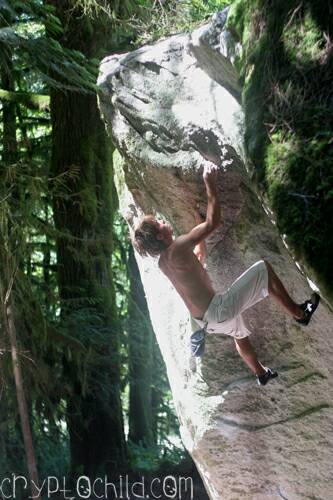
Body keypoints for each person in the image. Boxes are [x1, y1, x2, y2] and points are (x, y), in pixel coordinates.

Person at [132, 162, 320, 386]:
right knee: (263, 270)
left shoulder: (165, 263)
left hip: (207, 323)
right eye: (160, 223)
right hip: (218, 310)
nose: (164, 221)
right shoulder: (179, 246)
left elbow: (198, 256)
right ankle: (300, 313)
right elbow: (214, 222)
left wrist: (196, 221)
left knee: (239, 336)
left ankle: (261, 373)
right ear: (161, 236)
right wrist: (209, 183)